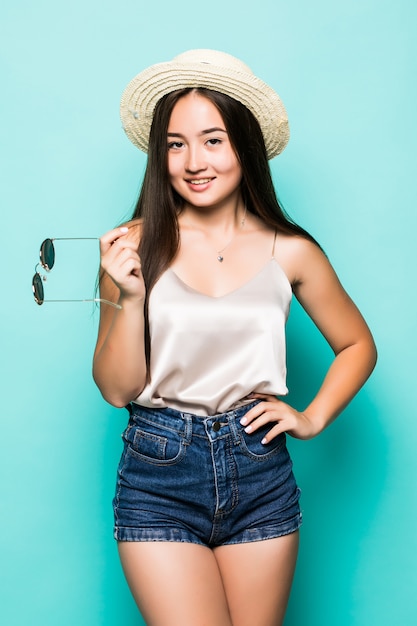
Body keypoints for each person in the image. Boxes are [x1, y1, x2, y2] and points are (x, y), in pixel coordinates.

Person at [93, 49, 377, 626]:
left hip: (260, 469)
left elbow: (357, 345)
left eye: (213, 140)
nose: (194, 161)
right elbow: (115, 389)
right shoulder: (131, 247)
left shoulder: (290, 250)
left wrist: (312, 416)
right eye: (176, 144)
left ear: (245, 145)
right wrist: (130, 298)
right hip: (160, 469)